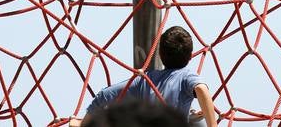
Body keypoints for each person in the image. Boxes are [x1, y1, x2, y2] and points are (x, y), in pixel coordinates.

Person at [69, 26, 217, 127]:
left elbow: (104, 95)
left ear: (159, 54)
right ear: (190, 56)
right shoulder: (186, 76)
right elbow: (201, 89)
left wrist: (83, 123)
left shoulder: (146, 80)